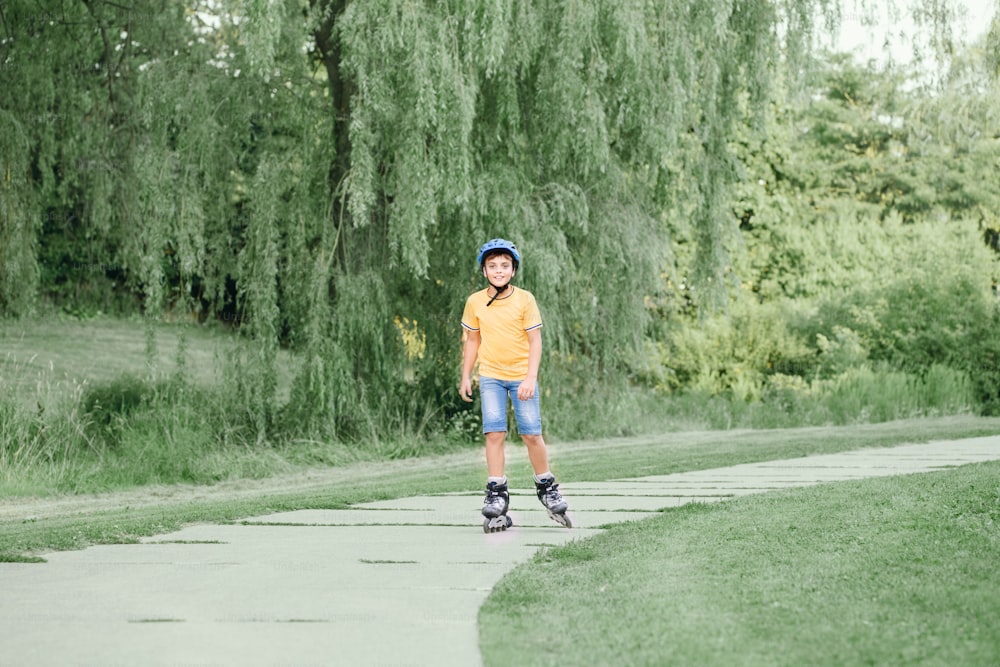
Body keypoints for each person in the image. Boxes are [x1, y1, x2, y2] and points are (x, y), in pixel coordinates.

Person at [459, 238, 570, 531]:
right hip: (491, 376)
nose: (498, 271)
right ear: (484, 271)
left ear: (513, 270)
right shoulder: (474, 302)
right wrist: (466, 375)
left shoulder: (525, 299)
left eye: (504, 266)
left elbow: (536, 341)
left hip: (522, 375)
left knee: (531, 434)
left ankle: (547, 486)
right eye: (492, 266)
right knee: (494, 432)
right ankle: (496, 492)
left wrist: (531, 377)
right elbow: (472, 340)